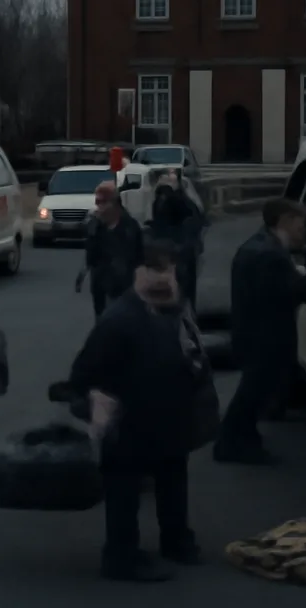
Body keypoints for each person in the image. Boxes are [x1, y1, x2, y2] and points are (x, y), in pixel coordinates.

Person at [69, 238, 205, 582]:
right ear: (135, 273)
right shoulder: (119, 320)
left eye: (170, 270)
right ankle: (121, 558)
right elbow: (82, 375)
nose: (165, 278)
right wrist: (96, 405)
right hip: (129, 424)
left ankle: (176, 541)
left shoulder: (169, 310)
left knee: (173, 481)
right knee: (124, 493)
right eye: (155, 270)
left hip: (168, 418)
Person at [214, 198, 306, 465]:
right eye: (301, 227)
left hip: (253, 334)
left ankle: (244, 439)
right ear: (284, 221)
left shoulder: (261, 247)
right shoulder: (270, 256)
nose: (304, 234)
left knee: (253, 394)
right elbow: (287, 293)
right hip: (265, 338)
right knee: (252, 396)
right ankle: (231, 443)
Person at [78, 180, 145, 319]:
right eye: (97, 202)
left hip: (124, 287)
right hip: (100, 286)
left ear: (115, 204)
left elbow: (136, 257)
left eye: (103, 203)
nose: (99, 207)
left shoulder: (129, 227)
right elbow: (91, 256)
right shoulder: (95, 226)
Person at [147, 172, 204, 311]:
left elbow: (192, 223)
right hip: (168, 252)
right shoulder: (160, 200)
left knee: (182, 291)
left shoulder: (181, 201)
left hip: (180, 252)